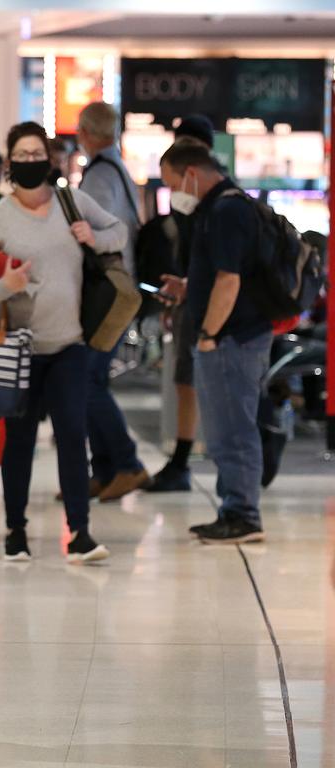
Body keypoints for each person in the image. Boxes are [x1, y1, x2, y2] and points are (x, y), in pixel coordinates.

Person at [0, 121, 127, 564]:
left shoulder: (71, 202)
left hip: (70, 344)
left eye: (35, 153)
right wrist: (7, 284)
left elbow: (119, 231)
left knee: (73, 434)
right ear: (9, 162)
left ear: (50, 158)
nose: (28, 162)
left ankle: (80, 531)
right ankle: (16, 530)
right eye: (19, 155)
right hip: (19, 348)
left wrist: (93, 238)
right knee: (19, 440)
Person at [158, 141, 271, 544]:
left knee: (233, 428)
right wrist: (189, 288)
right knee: (226, 428)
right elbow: (221, 273)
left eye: (173, 183)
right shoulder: (220, 207)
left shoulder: (226, 210)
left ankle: (243, 514)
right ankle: (233, 509)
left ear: (192, 173)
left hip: (232, 338)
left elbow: (229, 280)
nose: (174, 193)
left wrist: (208, 335)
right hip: (232, 335)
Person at [76, 101, 150, 502]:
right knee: (94, 379)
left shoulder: (101, 176)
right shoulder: (116, 169)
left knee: (86, 381)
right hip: (118, 290)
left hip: (109, 293)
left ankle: (127, 464)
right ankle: (105, 470)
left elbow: (101, 231)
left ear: (85, 132)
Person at [147, 117, 216, 493]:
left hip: (210, 302)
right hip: (193, 297)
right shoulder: (187, 202)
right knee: (187, 379)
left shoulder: (219, 201)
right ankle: (181, 460)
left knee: (212, 380)